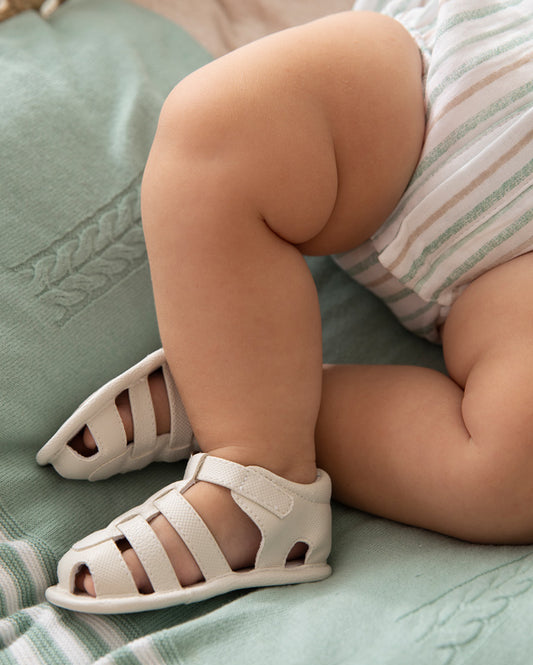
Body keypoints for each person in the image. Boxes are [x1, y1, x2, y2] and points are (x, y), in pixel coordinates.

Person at [37, 0, 533, 613]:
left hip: (512, 281)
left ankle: (246, 411)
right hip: (451, 80)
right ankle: (252, 415)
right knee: (221, 124)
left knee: (511, 472)